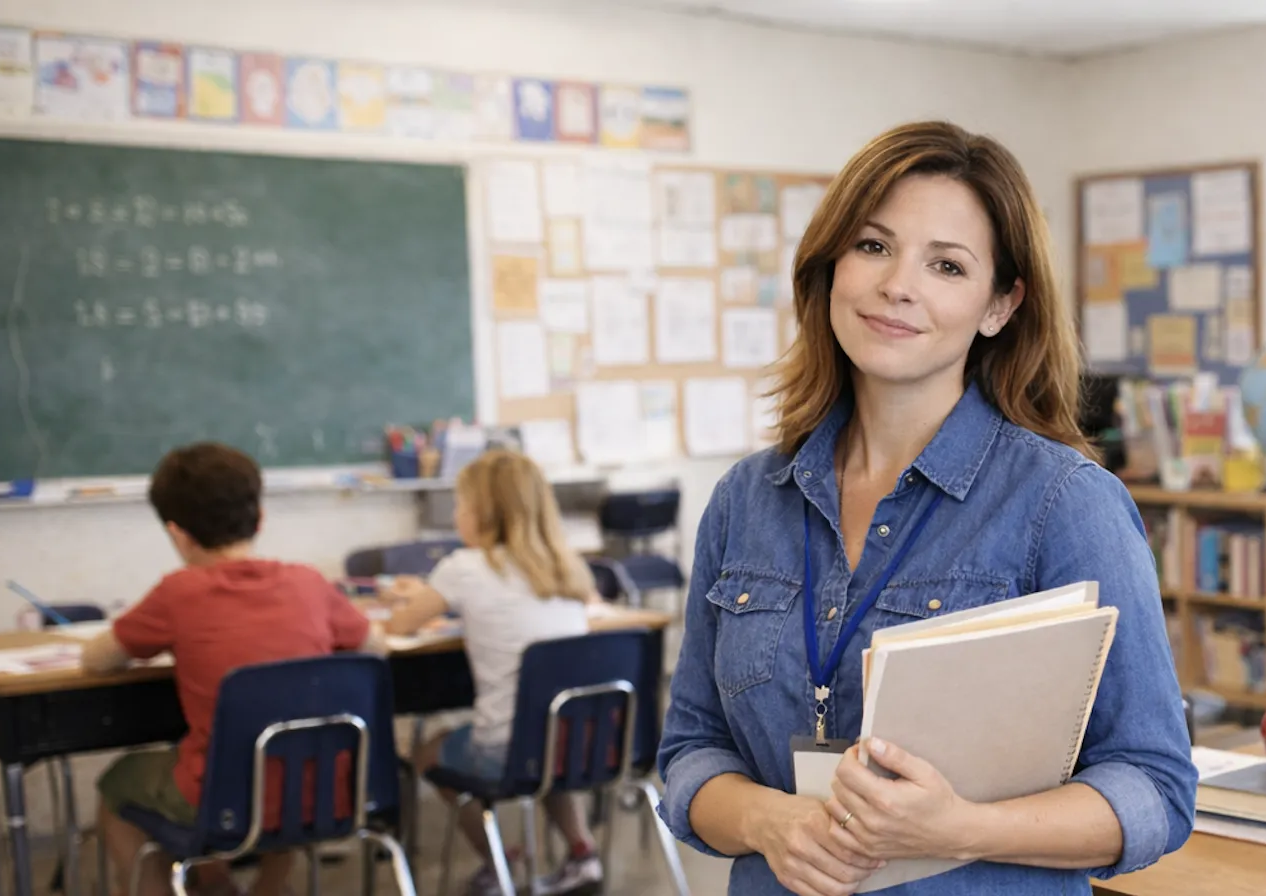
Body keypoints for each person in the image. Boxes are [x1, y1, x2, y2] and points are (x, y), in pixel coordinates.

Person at [657, 121, 1196, 896]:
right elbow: (691, 752)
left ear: (999, 305)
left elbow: (1155, 789)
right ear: (830, 267)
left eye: (946, 265)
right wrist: (770, 821)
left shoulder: (1065, 503)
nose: (898, 285)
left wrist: (959, 829)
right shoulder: (746, 499)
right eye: (874, 246)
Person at [83, 442, 374, 896]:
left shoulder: (178, 593)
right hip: (323, 792)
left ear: (177, 534)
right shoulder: (309, 583)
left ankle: (198, 885)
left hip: (222, 799)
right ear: (260, 519)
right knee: (283, 761)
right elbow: (375, 648)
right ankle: (259, 888)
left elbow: (97, 660)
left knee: (117, 785)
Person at [384, 449, 603, 896]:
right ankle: (583, 853)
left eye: (460, 505)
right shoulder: (568, 567)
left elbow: (398, 627)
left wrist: (413, 598)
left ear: (484, 513)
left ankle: (497, 862)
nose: (456, 515)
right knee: (544, 740)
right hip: (580, 743)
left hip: (505, 749)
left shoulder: (462, 568)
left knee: (426, 754)